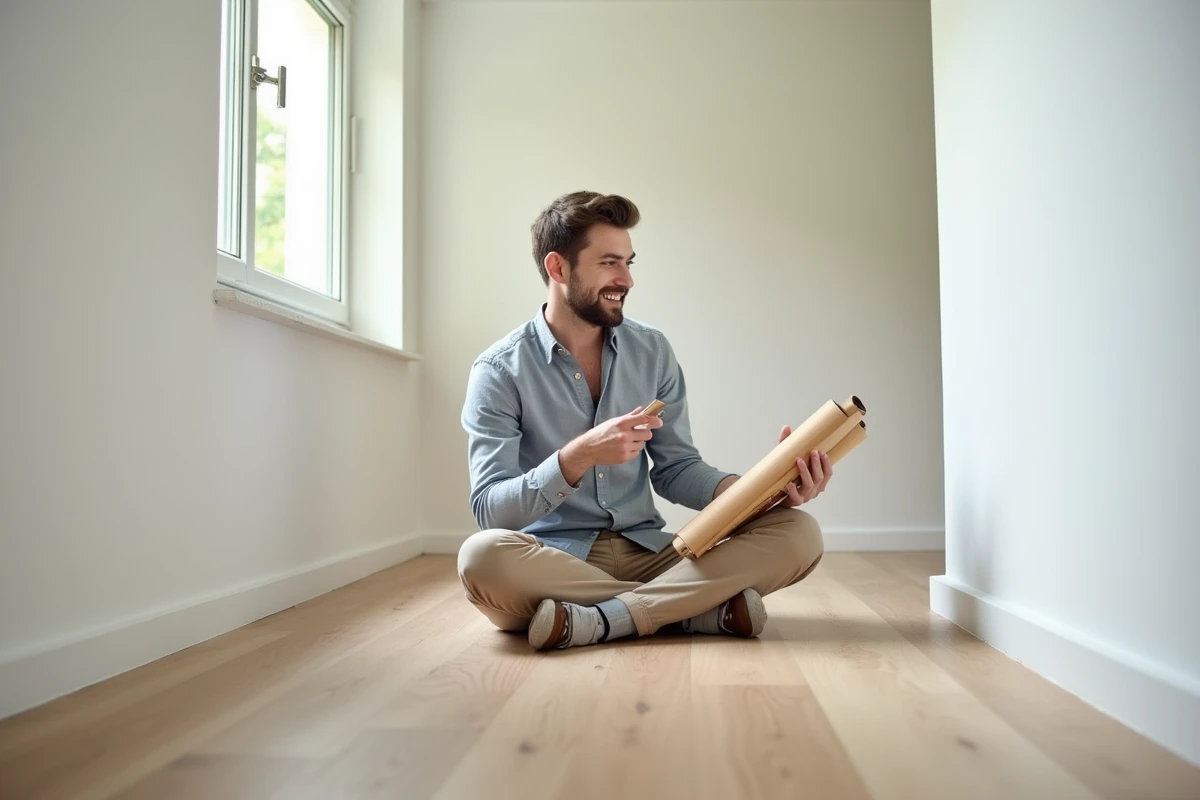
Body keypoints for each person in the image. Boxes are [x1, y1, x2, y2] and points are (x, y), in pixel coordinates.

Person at [458, 191, 831, 651]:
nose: (627, 279)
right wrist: (577, 457)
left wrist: (758, 490)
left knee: (798, 532)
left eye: (629, 263)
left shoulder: (652, 351)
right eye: (609, 263)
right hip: (552, 563)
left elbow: (676, 469)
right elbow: (491, 511)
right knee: (482, 558)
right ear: (558, 269)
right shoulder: (498, 371)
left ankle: (601, 619)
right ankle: (690, 611)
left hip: (651, 555)